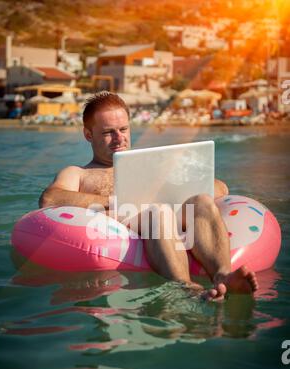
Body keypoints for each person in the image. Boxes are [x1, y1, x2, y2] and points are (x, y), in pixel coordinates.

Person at [39, 91, 258, 301]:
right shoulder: (79, 173)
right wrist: (118, 202)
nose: (118, 138)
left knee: (200, 201)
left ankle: (223, 276)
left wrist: (180, 188)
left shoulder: (153, 165)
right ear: (89, 134)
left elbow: (220, 188)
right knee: (158, 212)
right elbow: (50, 198)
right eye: (108, 132)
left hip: (165, 219)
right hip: (124, 223)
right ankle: (186, 287)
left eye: (123, 129)